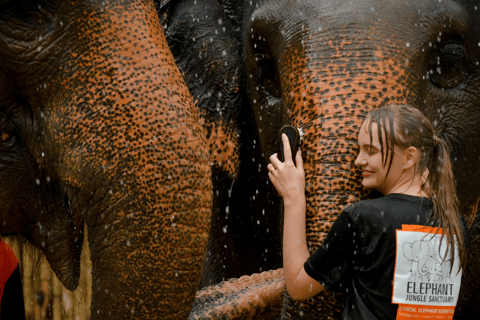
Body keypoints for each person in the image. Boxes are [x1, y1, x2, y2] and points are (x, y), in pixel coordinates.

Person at [267, 104, 468, 319]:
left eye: (371, 151)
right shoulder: (455, 224)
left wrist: (293, 198)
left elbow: (298, 286)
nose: (358, 160)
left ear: (410, 158)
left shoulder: (364, 218)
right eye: (359, 149)